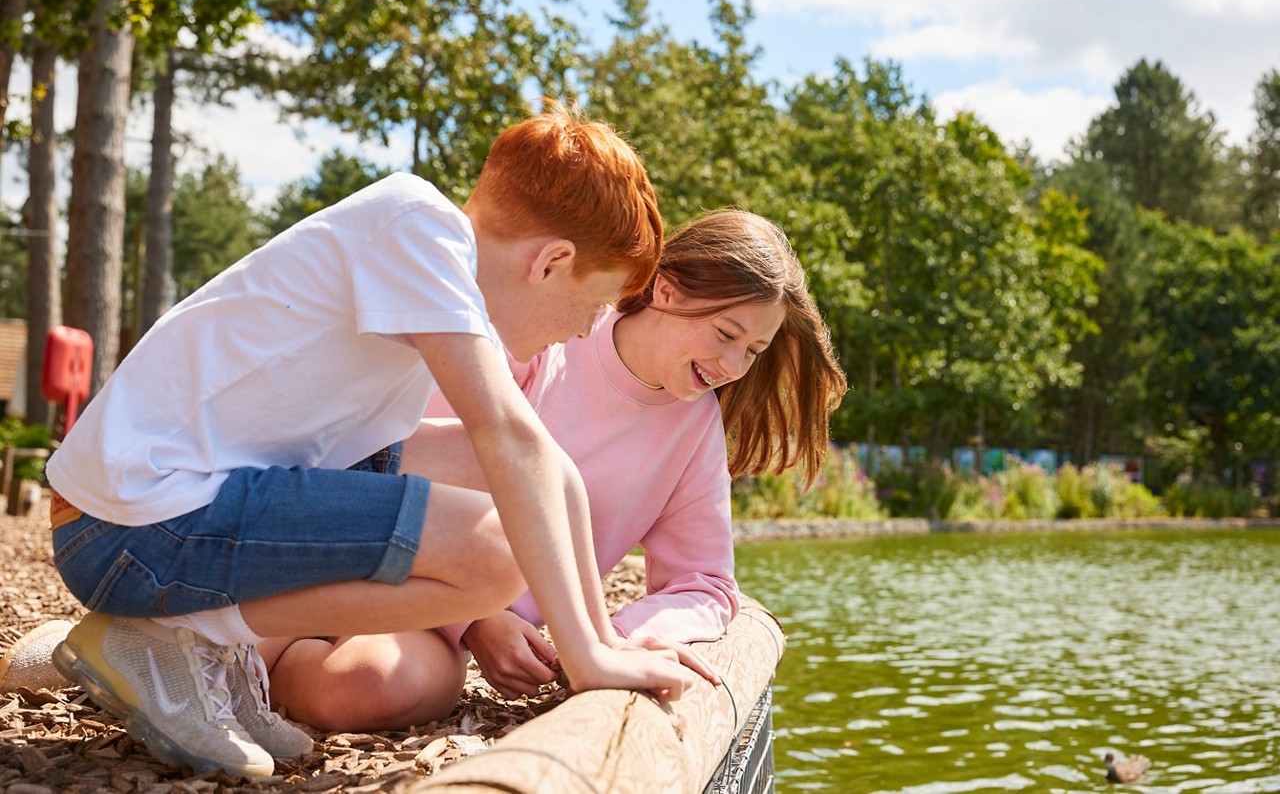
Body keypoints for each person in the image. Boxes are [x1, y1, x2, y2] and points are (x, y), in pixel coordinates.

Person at [41, 106, 713, 778]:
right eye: (593, 304)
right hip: (127, 530)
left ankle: (198, 646)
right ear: (551, 261)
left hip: (145, 516)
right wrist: (591, 664)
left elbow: (542, 461)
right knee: (495, 558)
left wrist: (597, 642)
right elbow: (507, 435)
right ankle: (182, 636)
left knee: (499, 475)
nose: (582, 329)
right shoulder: (418, 227)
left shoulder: (423, 278)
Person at [255, 208, 849, 731]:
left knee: (368, 687)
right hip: (394, 562)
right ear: (667, 290)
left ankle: (269, 676)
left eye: (753, 351)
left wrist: (617, 635)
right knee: (247, 623)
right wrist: (479, 620)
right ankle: (243, 663)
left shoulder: (695, 431)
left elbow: (706, 584)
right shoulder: (552, 331)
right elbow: (409, 464)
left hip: (429, 628)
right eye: (726, 334)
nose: (733, 365)